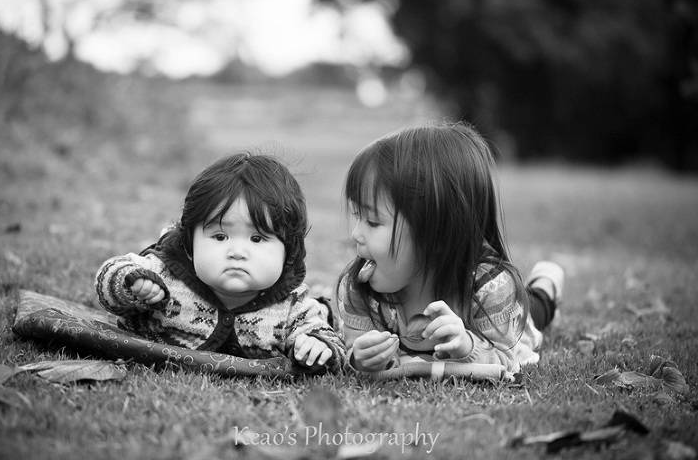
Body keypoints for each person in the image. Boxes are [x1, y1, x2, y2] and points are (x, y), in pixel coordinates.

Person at [337, 122, 565, 373]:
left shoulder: (489, 288)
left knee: (535, 313)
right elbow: (351, 350)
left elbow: (508, 358)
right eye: (357, 216)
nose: (355, 233)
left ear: (436, 235)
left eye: (372, 221)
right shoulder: (361, 291)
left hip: (508, 319)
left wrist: (469, 346)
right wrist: (360, 358)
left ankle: (547, 286)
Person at [96, 152, 345, 373]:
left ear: (288, 251)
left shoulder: (292, 306)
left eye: (257, 238)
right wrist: (131, 283)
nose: (237, 252)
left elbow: (327, 338)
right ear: (190, 243)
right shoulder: (166, 275)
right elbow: (110, 278)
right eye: (220, 236)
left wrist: (316, 346)